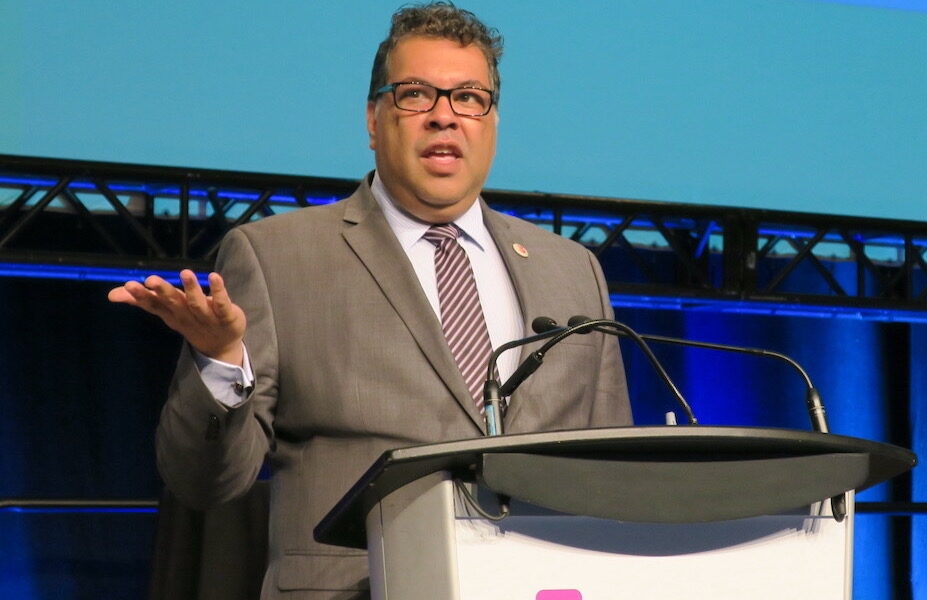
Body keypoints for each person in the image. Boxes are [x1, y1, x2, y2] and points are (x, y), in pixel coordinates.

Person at [108, 3, 632, 597]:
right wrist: (223, 361)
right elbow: (203, 483)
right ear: (373, 118)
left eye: (469, 97)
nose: (445, 117)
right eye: (415, 95)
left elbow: (613, 475)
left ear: (492, 121)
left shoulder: (573, 271)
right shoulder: (277, 257)